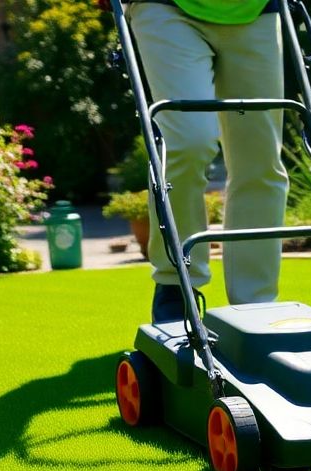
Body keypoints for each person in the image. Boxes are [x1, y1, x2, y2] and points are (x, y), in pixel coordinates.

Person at [98, 0, 290, 322]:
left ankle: (256, 303)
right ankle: (176, 280)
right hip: (164, 6)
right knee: (188, 141)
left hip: (255, 10)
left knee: (260, 159)